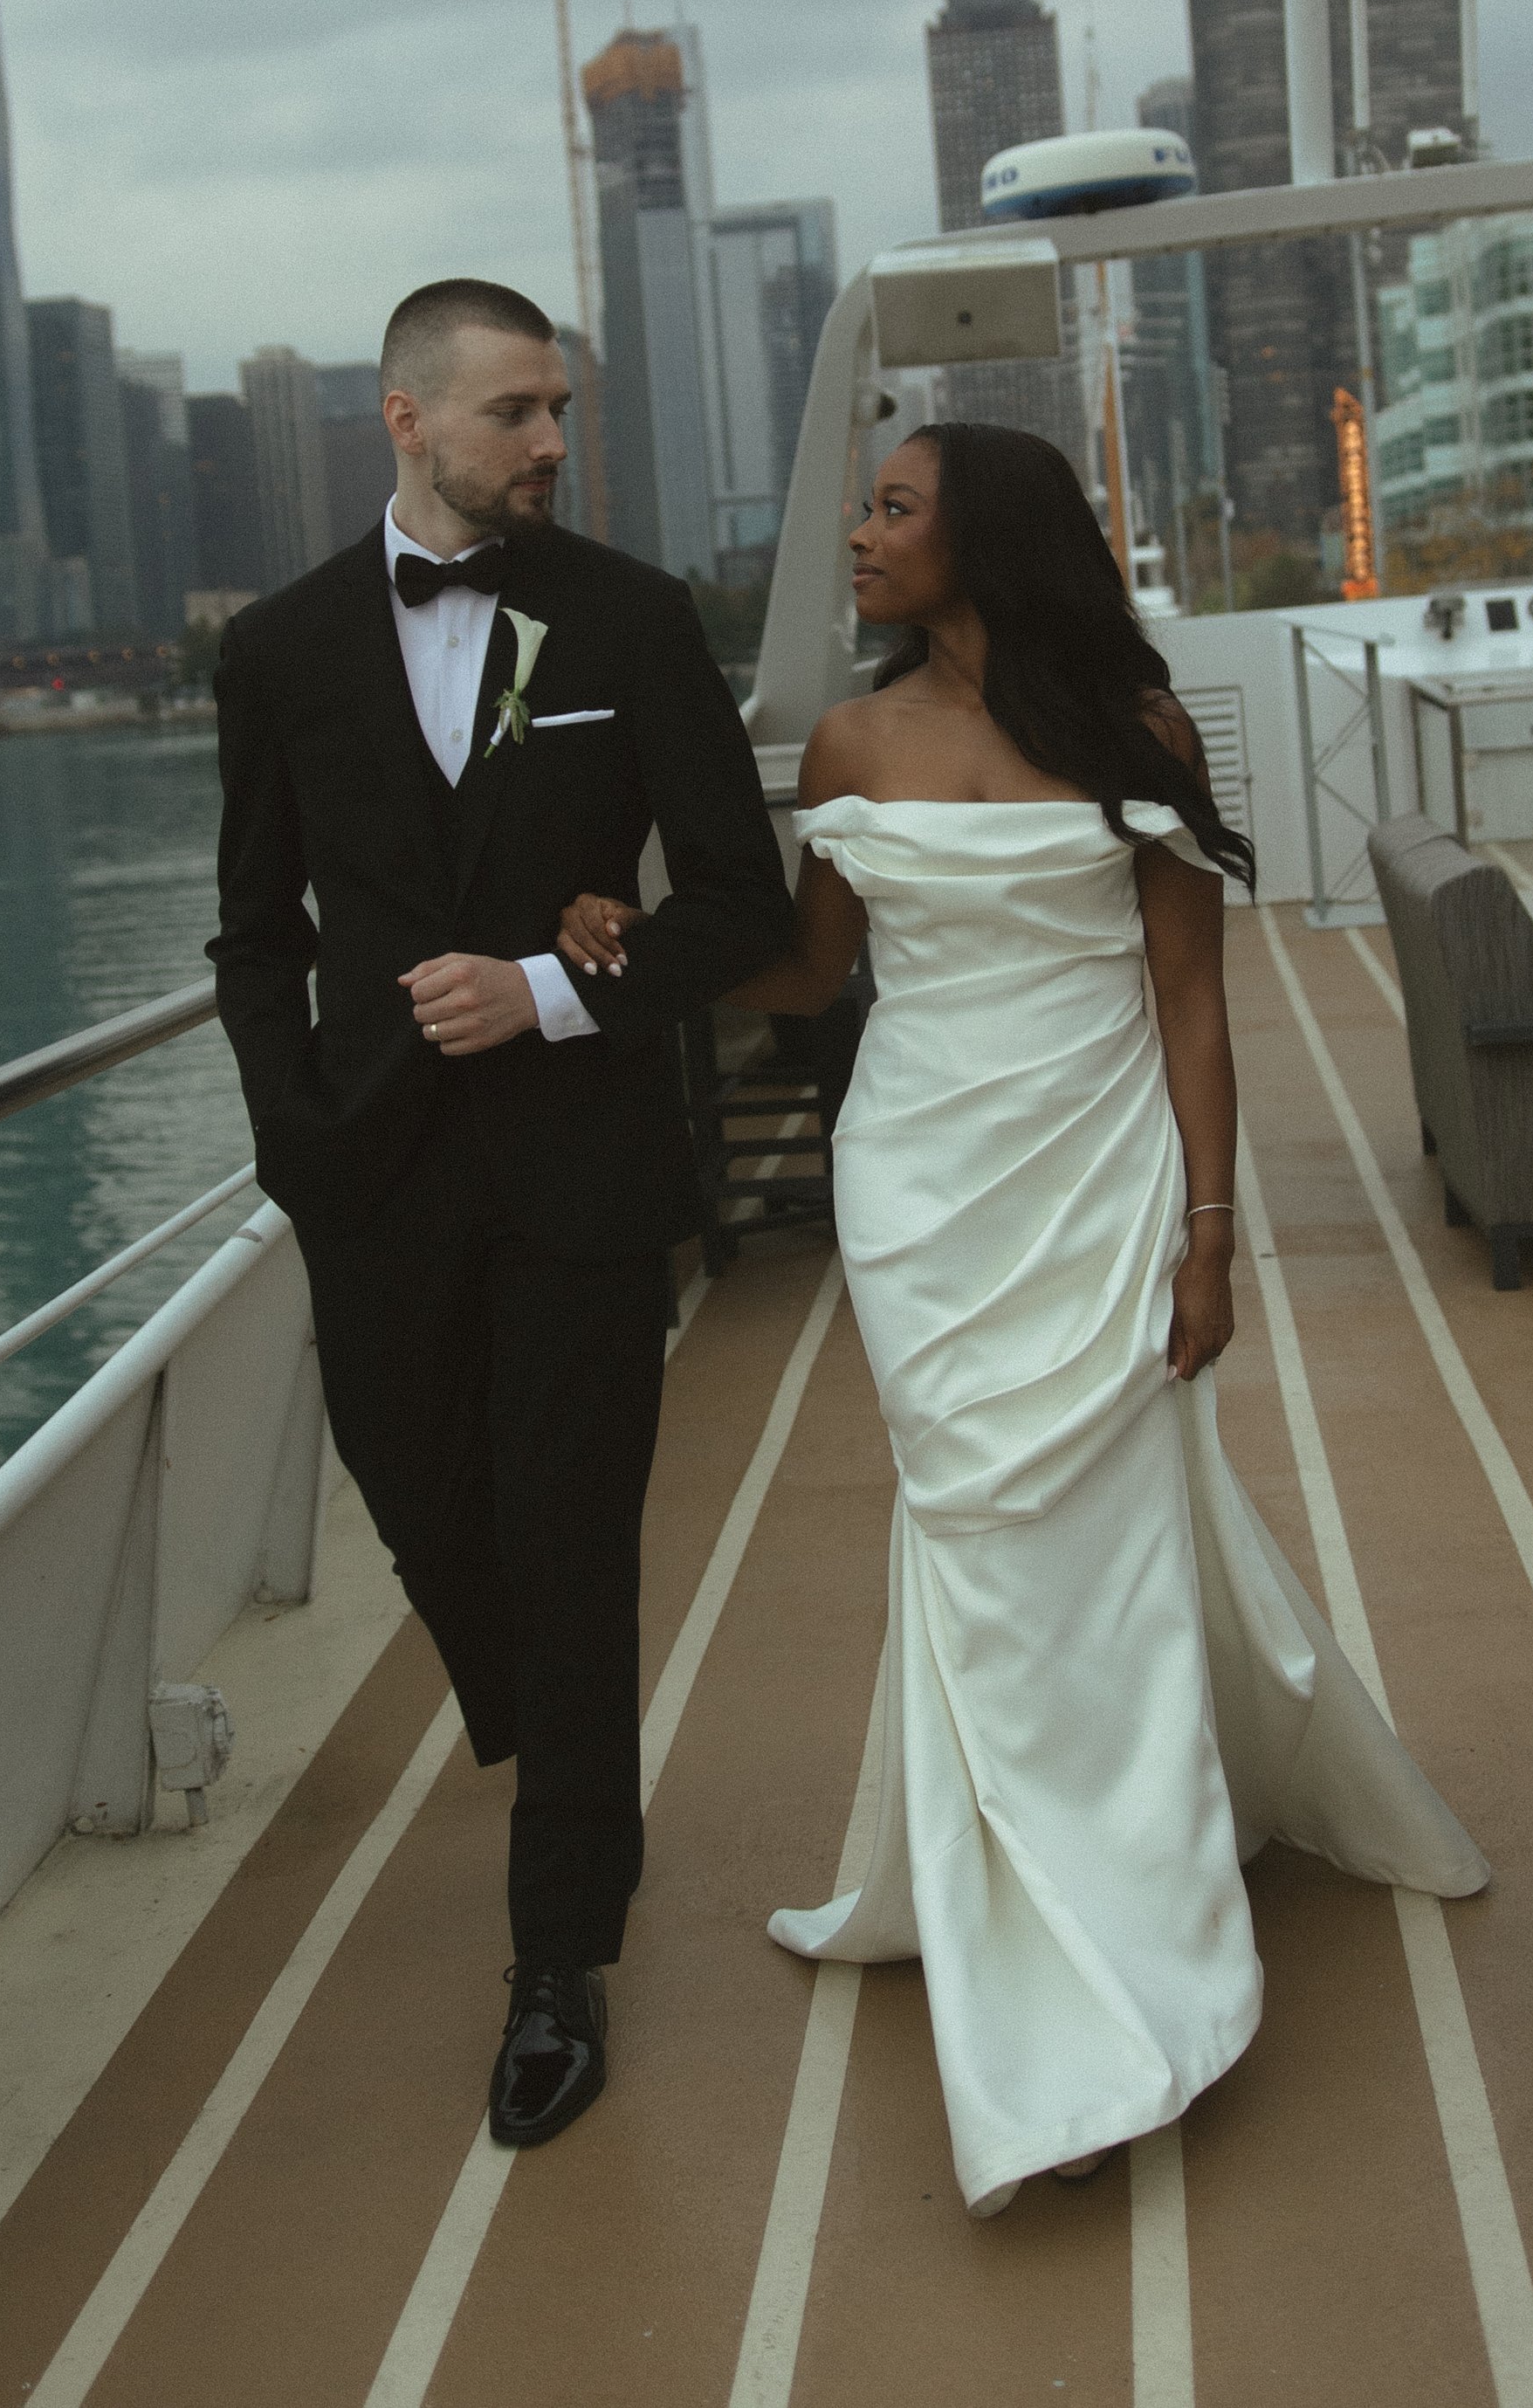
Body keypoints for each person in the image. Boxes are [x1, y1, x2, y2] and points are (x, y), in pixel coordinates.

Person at [557, 421, 1486, 2216]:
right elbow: (808, 972)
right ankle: (1033, 1906)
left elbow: (1192, 1002)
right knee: (981, 1538)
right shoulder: (850, 743)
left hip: (1100, 1175)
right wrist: (633, 939)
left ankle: (1125, 1929)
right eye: (867, 506)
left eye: (893, 508)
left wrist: (1209, 1238)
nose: (859, 533)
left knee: (1101, 1551)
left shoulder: (1137, 731)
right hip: (921, 1190)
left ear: (985, 539)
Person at [208, 278, 792, 2151]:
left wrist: (544, 991)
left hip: (578, 1167)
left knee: (572, 1544)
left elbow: (740, 902)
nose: (549, 442)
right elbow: (252, 932)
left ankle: (558, 1956)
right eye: (514, 411)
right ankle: (546, 1713)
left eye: (560, 412)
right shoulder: (279, 648)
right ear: (406, 419)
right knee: (415, 1483)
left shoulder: (630, 618)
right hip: (368, 1169)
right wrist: (292, 1134)